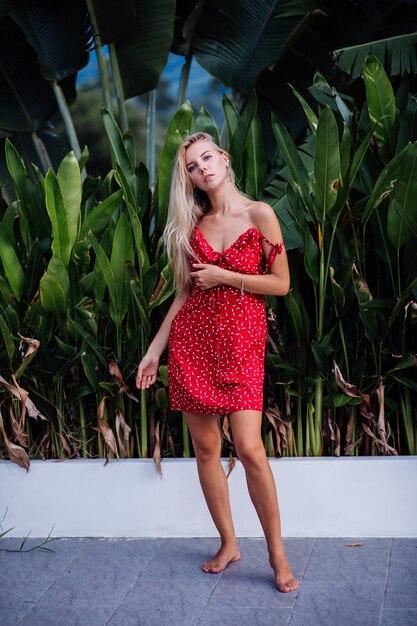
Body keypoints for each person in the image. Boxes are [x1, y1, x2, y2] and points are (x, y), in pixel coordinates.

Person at [136, 132, 299, 593]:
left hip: (243, 347)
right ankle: (229, 543)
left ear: (224, 159)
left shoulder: (260, 214)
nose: (202, 167)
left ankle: (277, 553)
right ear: (188, 178)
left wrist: (227, 275)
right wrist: (154, 350)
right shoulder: (193, 227)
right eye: (191, 165)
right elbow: (184, 294)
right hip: (194, 347)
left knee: (249, 449)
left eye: (207, 157)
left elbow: (281, 284)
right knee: (206, 450)